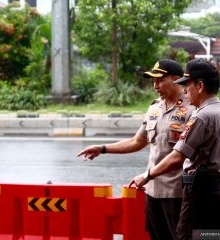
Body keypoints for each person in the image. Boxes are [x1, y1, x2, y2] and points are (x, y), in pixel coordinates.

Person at [77, 59, 195, 240]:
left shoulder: (192, 109)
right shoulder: (154, 108)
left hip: (178, 192)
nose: (155, 85)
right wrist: (102, 148)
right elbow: (136, 141)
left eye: (160, 80)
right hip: (153, 190)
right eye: (153, 81)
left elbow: (182, 155)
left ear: (176, 79)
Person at [130, 58, 220, 240]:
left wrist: (147, 176)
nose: (186, 93)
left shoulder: (201, 117)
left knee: (187, 236)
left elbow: (177, 156)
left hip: (201, 193)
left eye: (187, 86)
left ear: (200, 86)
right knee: (215, 236)